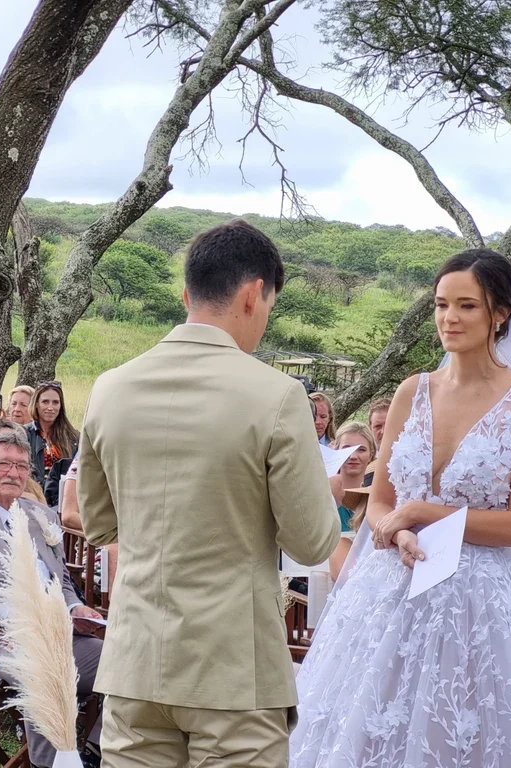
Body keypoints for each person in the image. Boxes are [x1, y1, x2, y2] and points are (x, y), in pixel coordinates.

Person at [289, 248, 511, 767]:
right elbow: (381, 500)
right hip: (394, 584)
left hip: (483, 599)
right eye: (441, 304)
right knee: (369, 728)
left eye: (466, 305)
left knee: (470, 733)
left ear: (500, 313)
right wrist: (396, 530)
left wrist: (420, 513)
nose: (449, 318)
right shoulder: (412, 390)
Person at [77, 219, 341, 768]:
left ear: (186, 294)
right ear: (253, 295)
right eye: (269, 308)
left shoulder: (109, 388)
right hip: (235, 669)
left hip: (136, 661)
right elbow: (312, 542)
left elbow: (99, 523)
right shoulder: (278, 394)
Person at [0, 430, 103, 768]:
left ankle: (93, 753)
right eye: (3, 464)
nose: (13, 473)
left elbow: (61, 581)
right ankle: (47, 764)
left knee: (123, 662)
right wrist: (13, 611)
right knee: (45, 670)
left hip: (59, 630)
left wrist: (74, 607)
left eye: (21, 466)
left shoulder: (42, 515)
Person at [61, 457, 119, 600]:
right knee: (114, 545)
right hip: (96, 544)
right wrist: (114, 529)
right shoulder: (82, 462)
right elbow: (68, 516)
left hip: (139, 542)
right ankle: (116, 606)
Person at [25, 382, 78, 488]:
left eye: (55, 402)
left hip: (63, 493)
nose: (50, 407)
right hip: (33, 492)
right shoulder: (24, 434)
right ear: (36, 404)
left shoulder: (73, 437)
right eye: (45, 402)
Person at [330, 421, 376, 533]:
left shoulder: (379, 498)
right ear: (336, 451)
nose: (353, 456)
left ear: (371, 454)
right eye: (346, 449)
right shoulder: (325, 496)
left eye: (361, 450)